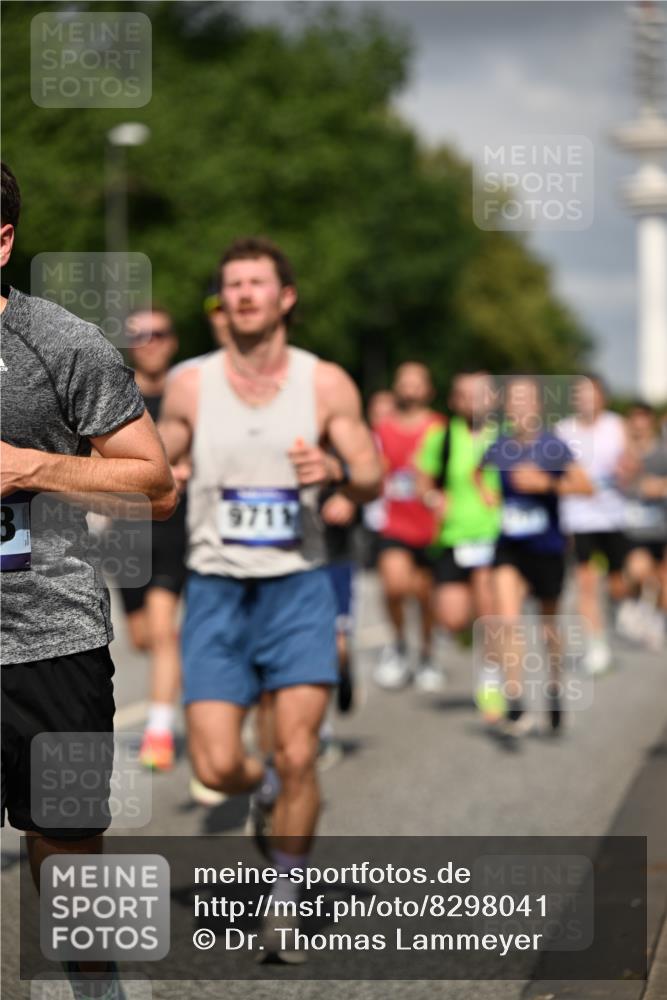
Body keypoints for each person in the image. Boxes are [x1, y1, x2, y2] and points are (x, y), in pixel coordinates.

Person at [158, 236, 380, 962]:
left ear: (285, 297)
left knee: (297, 750)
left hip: (298, 586)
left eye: (257, 283)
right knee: (218, 765)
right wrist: (166, 469)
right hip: (217, 587)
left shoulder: (325, 384)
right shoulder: (191, 384)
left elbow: (371, 476)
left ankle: (284, 897)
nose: (245, 294)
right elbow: (154, 459)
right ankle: (260, 793)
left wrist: (339, 471)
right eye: (233, 286)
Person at [0, 162, 176, 995]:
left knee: (62, 841)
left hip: (47, 633)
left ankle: (94, 984)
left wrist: (33, 466)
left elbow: (154, 484)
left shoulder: (58, 342)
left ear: (1, 240)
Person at [477, 376, 592, 739]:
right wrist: (488, 495)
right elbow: (478, 472)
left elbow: (585, 486)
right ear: (507, 408)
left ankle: (555, 686)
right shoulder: (500, 444)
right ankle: (515, 698)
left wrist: (547, 484)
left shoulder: (552, 447)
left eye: (527, 399)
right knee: (508, 620)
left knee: (547, 626)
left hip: (548, 547)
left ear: (539, 406)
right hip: (510, 544)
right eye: (514, 400)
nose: (520, 406)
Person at [117, 308, 188, 771]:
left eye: (159, 333)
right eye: (139, 335)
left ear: (172, 341)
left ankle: (159, 731)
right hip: (125, 532)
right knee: (142, 637)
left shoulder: (191, 396)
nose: (150, 341)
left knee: (164, 632)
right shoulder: (116, 395)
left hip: (176, 525)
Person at [415, 370, 501, 703]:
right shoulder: (443, 436)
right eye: (465, 394)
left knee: (489, 608)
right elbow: (423, 478)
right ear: (454, 400)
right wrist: (433, 498)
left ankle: (491, 677)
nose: (473, 401)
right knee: (451, 617)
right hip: (454, 537)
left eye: (480, 394)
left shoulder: (505, 437)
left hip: (494, 535)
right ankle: (463, 632)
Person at [373, 364, 443, 691]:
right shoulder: (383, 428)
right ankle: (399, 644)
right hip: (395, 523)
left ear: (428, 389)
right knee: (394, 585)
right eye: (404, 382)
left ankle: (427, 653)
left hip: (430, 526)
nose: (410, 388)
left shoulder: (439, 428)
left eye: (417, 383)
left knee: (426, 597)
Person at [556, 375, 629, 674]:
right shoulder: (562, 430)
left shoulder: (616, 426)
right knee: (586, 583)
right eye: (579, 394)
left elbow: (631, 463)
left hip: (615, 516)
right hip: (579, 518)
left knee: (618, 583)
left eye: (591, 393)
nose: (585, 399)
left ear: (603, 397)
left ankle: (618, 611)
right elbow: (556, 476)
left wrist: (628, 468)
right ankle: (596, 644)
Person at [616, 402, 667, 649]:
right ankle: (636, 607)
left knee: (661, 580)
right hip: (632, 530)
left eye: (643, 424)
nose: (638, 430)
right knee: (639, 572)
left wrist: (659, 487)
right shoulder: (620, 455)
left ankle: (655, 620)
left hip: (660, 528)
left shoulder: (662, 453)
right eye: (633, 425)